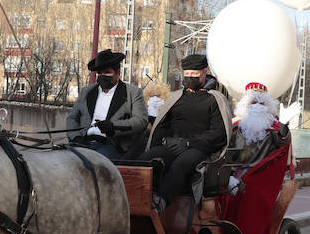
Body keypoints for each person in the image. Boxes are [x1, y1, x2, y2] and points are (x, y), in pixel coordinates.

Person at [139, 54, 232, 208]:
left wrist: (188, 143)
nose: (189, 78)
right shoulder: (176, 97)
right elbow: (163, 125)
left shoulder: (215, 99)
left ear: (204, 72)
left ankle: (162, 203)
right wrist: (163, 141)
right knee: (145, 159)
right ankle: (137, 198)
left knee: (180, 165)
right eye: (187, 74)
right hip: (173, 144)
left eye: (194, 74)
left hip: (199, 148)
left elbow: (218, 134)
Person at [66, 49, 148, 160]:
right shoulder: (86, 92)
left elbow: (141, 121)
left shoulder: (133, 93)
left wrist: (113, 126)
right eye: (100, 73)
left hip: (112, 145)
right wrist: (75, 137)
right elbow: (72, 118)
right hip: (83, 142)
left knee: (95, 162)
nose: (103, 76)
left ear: (118, 73)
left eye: (107, 72)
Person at [229, 82, 290, 171]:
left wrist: (283, 125)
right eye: (254, 103)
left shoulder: (274, 127)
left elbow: (283, 147)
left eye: (261, 104)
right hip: (238, 176)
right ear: (245, 106)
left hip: (264, 175)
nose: (257, 106)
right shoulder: (235, 126)